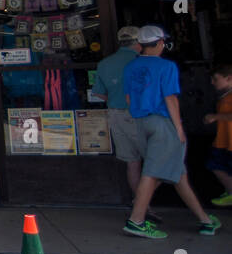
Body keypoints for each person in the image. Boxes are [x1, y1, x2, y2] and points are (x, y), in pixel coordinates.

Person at [122, 25, 220, 238]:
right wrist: (179, 128)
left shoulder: (130, 67)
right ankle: (136, 220)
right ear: (159, 43)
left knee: (178, 175)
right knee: (153, 173)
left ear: (140, 45)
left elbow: (129, 98)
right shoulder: (166, 67)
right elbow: (170, 99)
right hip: (162, 122)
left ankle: (204, 219)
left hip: (140, 122)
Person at [94, 26, 150, 217]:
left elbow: (100, 92)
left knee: (131, 162)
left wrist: (115, 99)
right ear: (138, 42)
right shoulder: (142, 62)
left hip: (115, 114)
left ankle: (139, 203)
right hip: (140, 115)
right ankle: (144, 204)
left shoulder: (105, 63)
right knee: (153, 161)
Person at [205, 64, 232, 207]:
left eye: (216, 79)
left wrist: (216, 117)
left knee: (218, 166)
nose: (212, 82)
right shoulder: (224, 96)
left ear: (229, 78)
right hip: (223, 141)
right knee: (216, 165)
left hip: (229, 142)